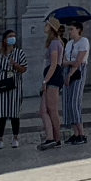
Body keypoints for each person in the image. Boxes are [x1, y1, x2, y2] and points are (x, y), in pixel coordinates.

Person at [0, 29, 27, 149]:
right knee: (1, 112)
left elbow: (24, 69)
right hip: (1, 82)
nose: (13, 38)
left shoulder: (19, 53)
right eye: (10, 36)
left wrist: (15, 65)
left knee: (14, 112)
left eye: (14, 36)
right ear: (5, 40)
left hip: (14, 83)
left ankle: (15, 137)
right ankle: (0, 139)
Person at [61, 22, 91, 144]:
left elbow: (79, 61)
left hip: (78, 71)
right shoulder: (68, 43)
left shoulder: (84, 41)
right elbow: (64, 61)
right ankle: (75, 132)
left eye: (72, 29)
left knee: (74, 102)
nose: (70, 31)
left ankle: (82, 133)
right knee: (68, 102)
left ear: (78, 30)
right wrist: (69, 65)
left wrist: (70, 73)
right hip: (68, 70)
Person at [38, 18, 66, 150]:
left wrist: (45, 80)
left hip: (53, 77)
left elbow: (54, 64)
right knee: (44, 110)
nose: (45, 27)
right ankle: (50, 137)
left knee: (52, 109)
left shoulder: (55, 43)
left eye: (47, 25)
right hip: (50, 76)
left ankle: (56, 138)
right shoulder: (52, 43)